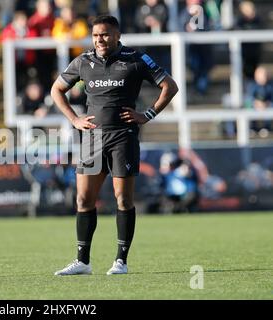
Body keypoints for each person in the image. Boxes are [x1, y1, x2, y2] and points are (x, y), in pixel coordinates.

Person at [50, 15, 178, 275]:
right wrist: (74, 119)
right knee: (84, 199)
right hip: (93, 139)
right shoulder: (83, 62)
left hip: (123, 137)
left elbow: (170, 86)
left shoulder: (136, 59)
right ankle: (82, 262)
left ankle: (121, 260)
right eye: (96, 35)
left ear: (117, 35)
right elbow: (56, 90)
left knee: (123, 198)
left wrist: (147, 115)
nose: (100, 39)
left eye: (105, 34)